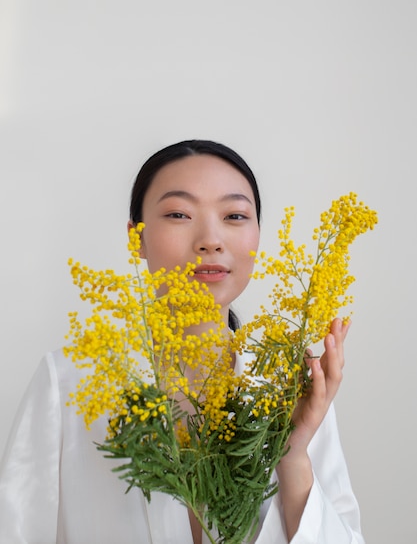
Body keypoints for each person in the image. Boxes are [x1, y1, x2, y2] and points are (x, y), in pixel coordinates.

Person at [0, 139, 365, 544]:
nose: (210, 239)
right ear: (135, 237)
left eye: (234, 215)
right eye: (179, 213)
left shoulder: (289, 388)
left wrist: (293, 455)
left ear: (258, 235)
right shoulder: (68, 384)